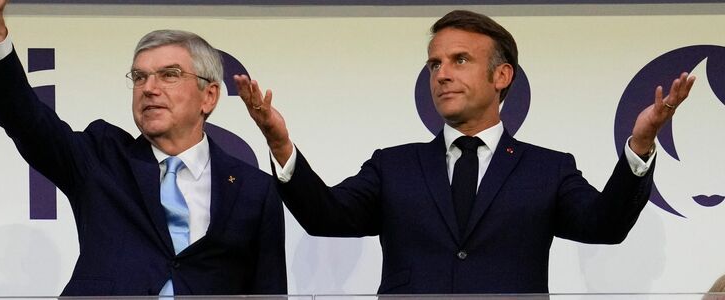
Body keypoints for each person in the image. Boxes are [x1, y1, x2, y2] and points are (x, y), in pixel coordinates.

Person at [234, 10, 695, 294]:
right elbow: (327, 217)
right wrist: (279, 143)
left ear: (502, 77)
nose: (441, 74)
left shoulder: (547, 169)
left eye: (459, 61)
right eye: (434, 63)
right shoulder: (393, 166)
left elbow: (605, 227)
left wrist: (640, 143)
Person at [0, 0, 286, 296]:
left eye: (169, 75)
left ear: (209, 96)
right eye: (139, 77)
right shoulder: (100, 158)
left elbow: (270, 291)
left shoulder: (253, 190)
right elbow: (26, 121)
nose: (149, 88)